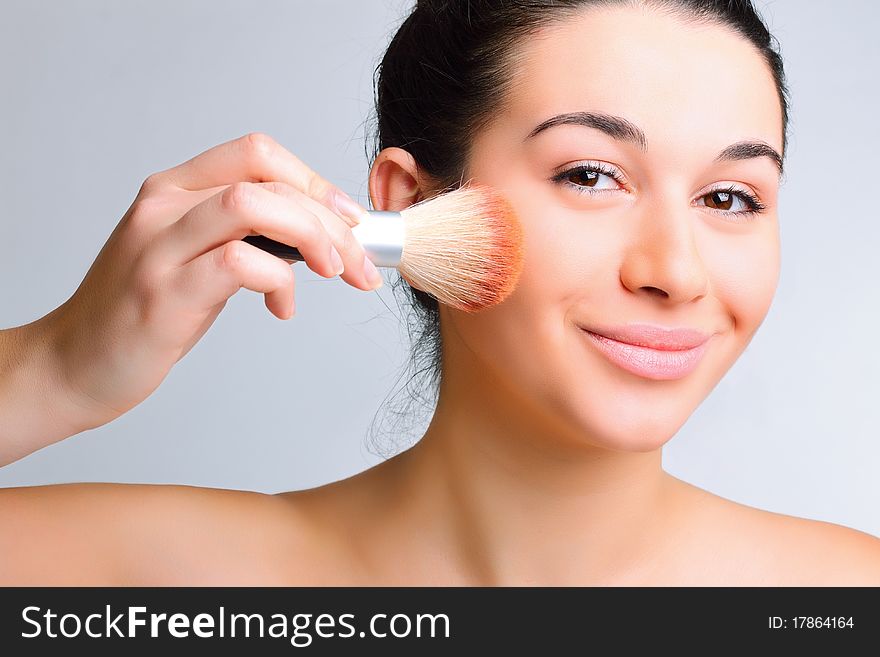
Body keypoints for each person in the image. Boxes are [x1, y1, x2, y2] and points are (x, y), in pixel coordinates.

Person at [1, 0, 878, 586]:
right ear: (410, 202)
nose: (676, 272)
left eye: (731, 198)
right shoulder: (143, 579)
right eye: (591, 174)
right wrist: (53, 372)